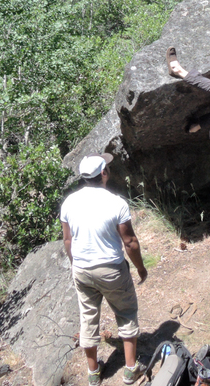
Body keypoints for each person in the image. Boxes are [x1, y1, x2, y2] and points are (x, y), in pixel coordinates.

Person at [60, 153, 148, 386]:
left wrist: (75, 263)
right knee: (126, 311)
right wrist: (140, 268)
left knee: (88, 317)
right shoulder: (116, 202)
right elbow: (129, 242)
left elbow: (67, 241)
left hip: (81, 269)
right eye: (106, 167)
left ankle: (93, 373)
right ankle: (130, 370)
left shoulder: (69, 203)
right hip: (111, 268)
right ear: (103, 174)